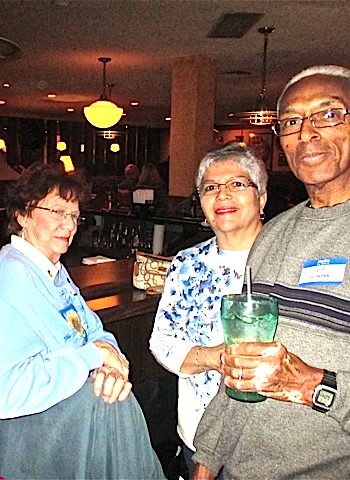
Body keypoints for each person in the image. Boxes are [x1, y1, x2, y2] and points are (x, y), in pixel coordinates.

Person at [193, 65, 350, 479]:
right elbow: (240, 367)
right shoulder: (271, 236)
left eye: (328, 114)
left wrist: (315, 385)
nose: (306, 133)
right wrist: (205, 463)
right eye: (292, 121)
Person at [0, 162, 165, 479]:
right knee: (120, 405)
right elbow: (8, 395)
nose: (69, 225)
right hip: (28, 428)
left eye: (74, 215)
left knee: (129, 395)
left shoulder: (53, 271)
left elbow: (92, 332)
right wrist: (94, 356)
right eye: (56, 212)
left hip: (66, 411)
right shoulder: (9, 275)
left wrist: (110, 367)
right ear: (22, 214)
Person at [150, 144, 268, 477]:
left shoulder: (288, 260)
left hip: (269, 444)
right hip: (197, 435)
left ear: (261, 198)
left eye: (237, 184)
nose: (223, 194)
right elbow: (161, 340)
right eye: (211, 188)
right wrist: (213, 357)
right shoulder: (187, 263)